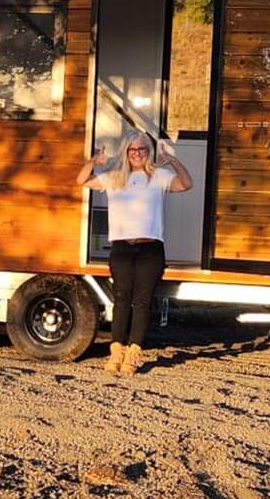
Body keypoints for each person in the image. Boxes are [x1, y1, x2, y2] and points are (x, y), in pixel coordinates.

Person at [76, 131, 193, 375]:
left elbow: (186, 184)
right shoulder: (114, 177)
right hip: (121, 248)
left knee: (142, 302)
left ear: (148, 152)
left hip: (150, 248)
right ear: (125, 153)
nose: (137, 153)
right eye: (133, 149)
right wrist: (93, 162)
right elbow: (81, 181)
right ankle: (116, 352)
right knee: (121, 299)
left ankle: (133, 354)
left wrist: (172, 161)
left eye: (142, 149)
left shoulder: (158, 176)